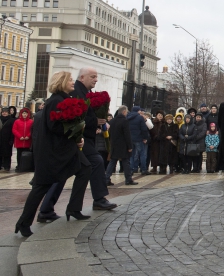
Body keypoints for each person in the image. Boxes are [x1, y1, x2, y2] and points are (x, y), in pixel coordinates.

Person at [14, 72, 93, 236]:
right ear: (62, 82)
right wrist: (74, 133)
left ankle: (73, 209)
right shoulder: (56, 100)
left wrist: (77, 133)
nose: (73, 82)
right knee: (41, 187)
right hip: (53, 153)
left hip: (64, 150)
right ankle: (23, 222)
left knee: (85, 168)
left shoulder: (62, 99)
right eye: (70, 80)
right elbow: (54, 126)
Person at [38, 67, 117, 219]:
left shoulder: (81, 92)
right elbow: (74, 117)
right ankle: (96, 200)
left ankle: (48, 209)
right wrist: (95, 121)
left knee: (70, 171)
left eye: (96, 76)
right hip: (77, 140)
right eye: (93, 76)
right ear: (83, 77)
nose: (96, 79)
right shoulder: (74, 93)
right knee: (95, 161)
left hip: (80, 139)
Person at [105, 106, 136, 186]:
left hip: (114, 145)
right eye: (126, 112)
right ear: (124, 112)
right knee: (126, 162)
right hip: (123, 145)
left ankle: (106, 179)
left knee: (112, 162)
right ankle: (128, 179)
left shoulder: (112, 121)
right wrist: (130, 146)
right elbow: (127, 135)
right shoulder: (124, 121)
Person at [127, 105, 150, 175]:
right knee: (142, 154)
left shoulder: (127, 117)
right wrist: (145, 138)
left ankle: (131, 169)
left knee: (132, 154)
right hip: (138, 138)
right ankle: (143, 169)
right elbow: (144, 129)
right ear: (138, 111)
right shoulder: (140, 118)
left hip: (130, 139)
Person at [12, 107, 33, 172]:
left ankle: (25, 166)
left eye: (26, 113)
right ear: (21, 114)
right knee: (19, 154)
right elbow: (14, 130)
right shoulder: (17, 121)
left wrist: (28, 136)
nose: (24, 115)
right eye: (23, 113)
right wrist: (19, 136)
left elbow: (32, 130)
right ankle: (19, 166)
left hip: (27, 141)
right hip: (19, 141)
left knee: (26, 155)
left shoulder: (31, 121)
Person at [0, 107, 16, 171]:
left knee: (7, 154)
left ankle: (7, 166)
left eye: (6, 112)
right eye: (3, 112)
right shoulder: (0, 119)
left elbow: (13, 130)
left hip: (7, 139)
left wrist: (11, 139)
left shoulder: (11, 120)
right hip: (0, 139)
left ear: (8, 113)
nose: (4, 113)